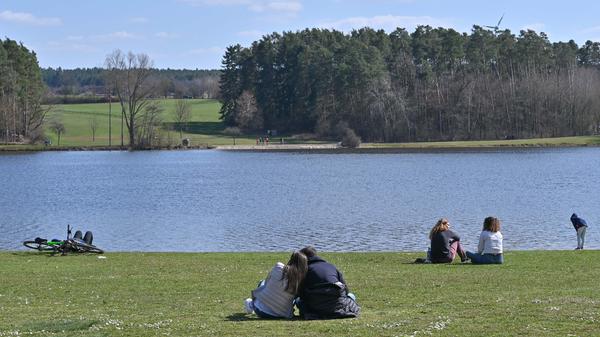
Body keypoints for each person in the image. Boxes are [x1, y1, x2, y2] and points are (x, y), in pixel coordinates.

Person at [296, 246, 360, 320]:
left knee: (298, 301)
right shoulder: (331, 266)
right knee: (351, 295)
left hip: (315, 307)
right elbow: (346, 290)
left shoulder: (305, 270)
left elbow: (302, 294)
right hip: (337, 305)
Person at [244, 251, 308, 319]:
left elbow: (266, 283)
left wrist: (255, 295)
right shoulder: (301, 280)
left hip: (261, 311)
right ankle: (252, 303)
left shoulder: (278, 267)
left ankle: (251, 303)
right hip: (283, 315)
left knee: (262, 282)